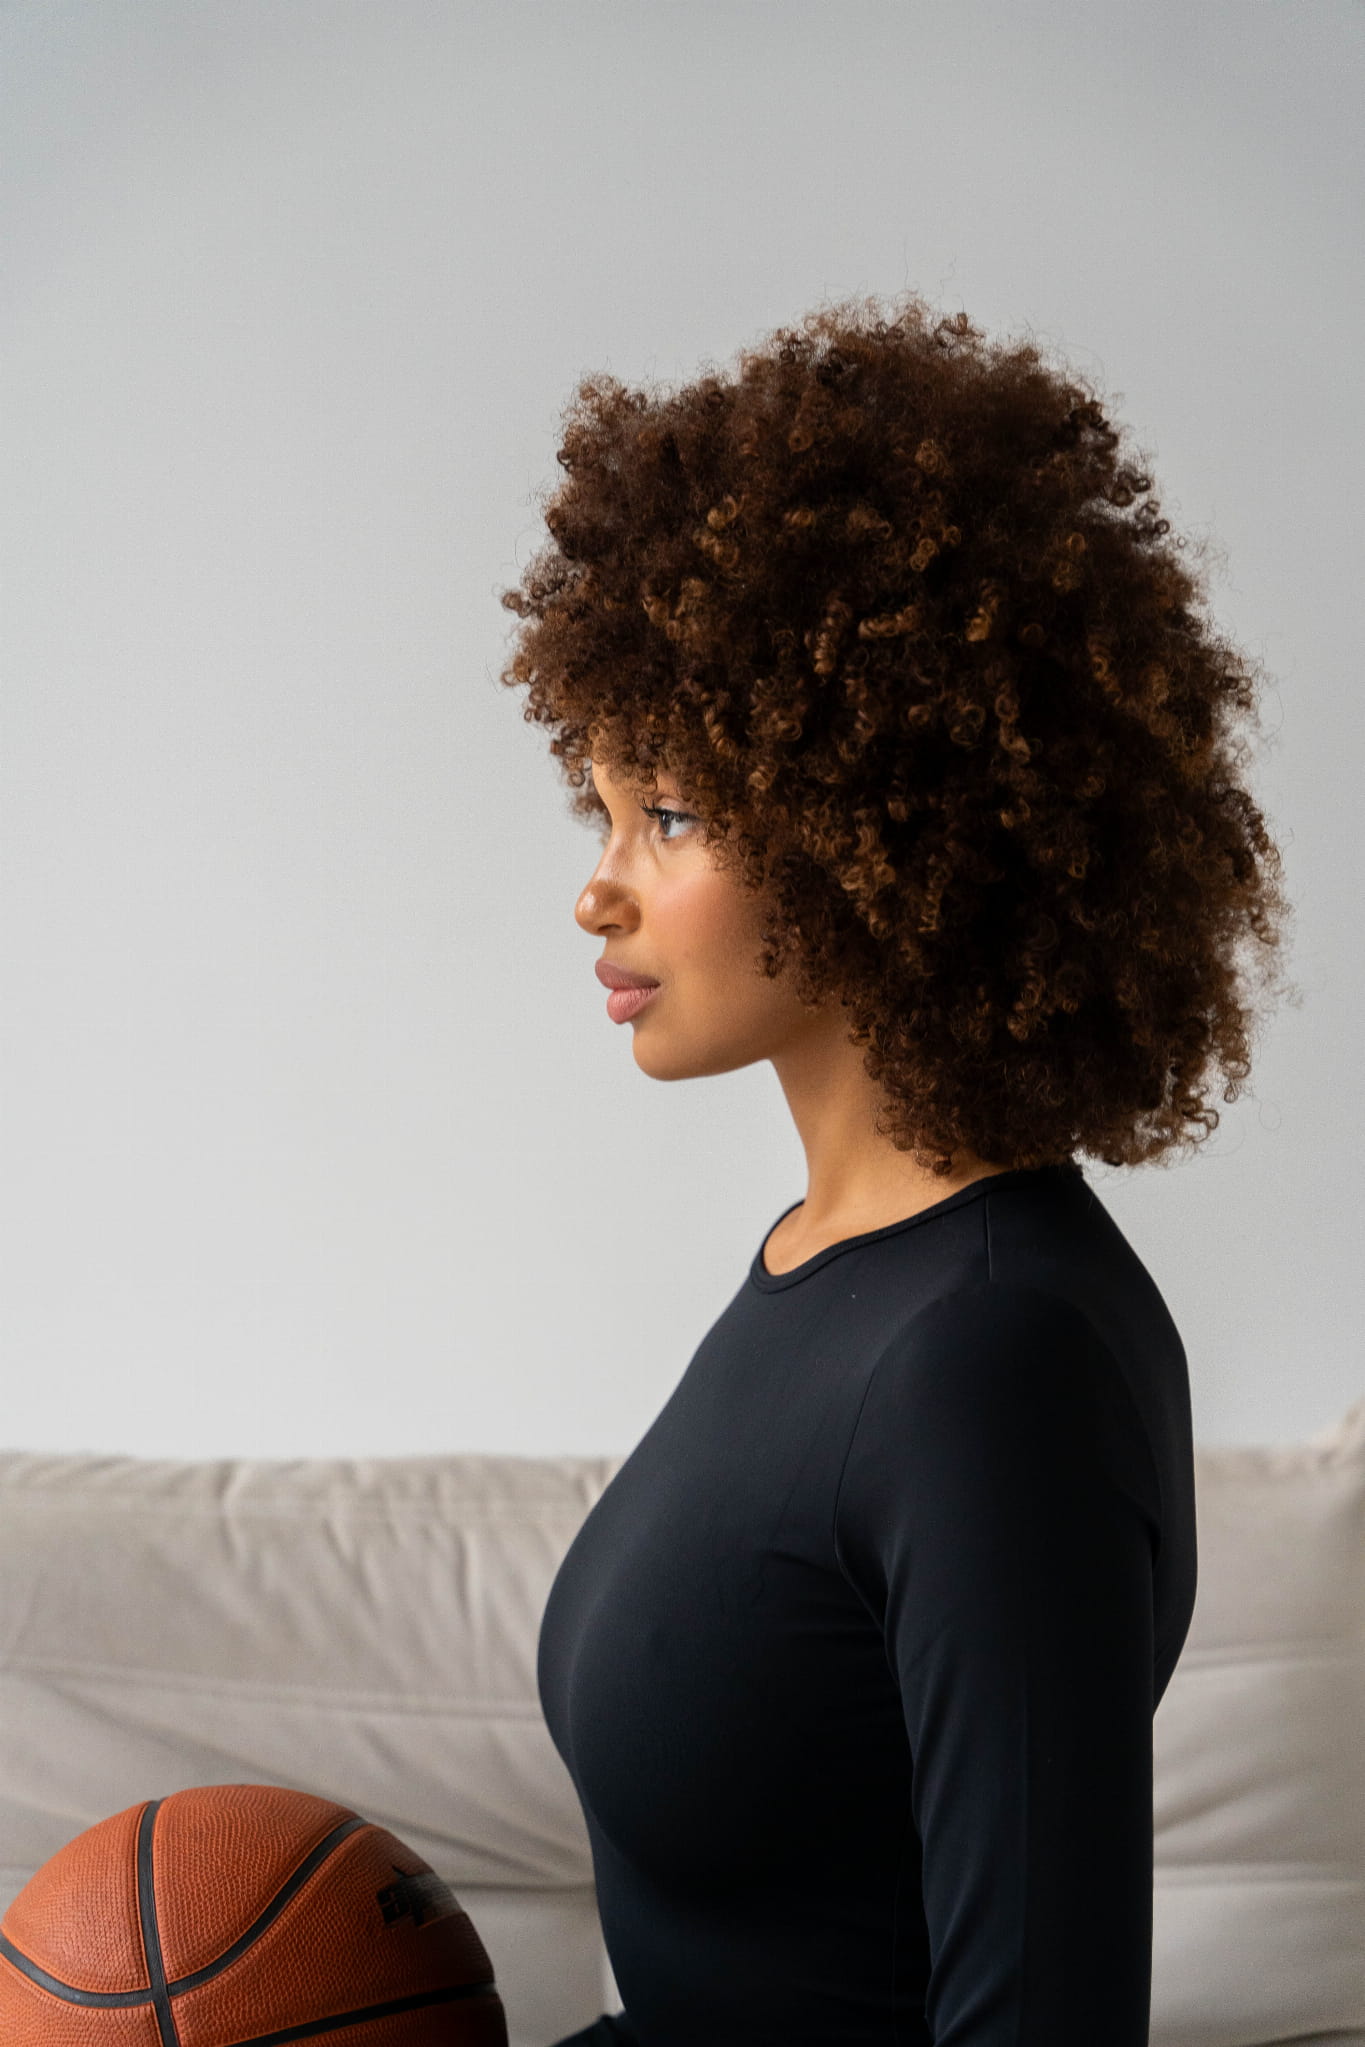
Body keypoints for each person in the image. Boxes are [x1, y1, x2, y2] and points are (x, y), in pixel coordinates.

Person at [494, 292, 1296, 2045]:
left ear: (887, 814)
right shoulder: (828, 1261)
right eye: (600, 812)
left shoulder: (989, 1353)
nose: (597, 889)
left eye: (671, 814)